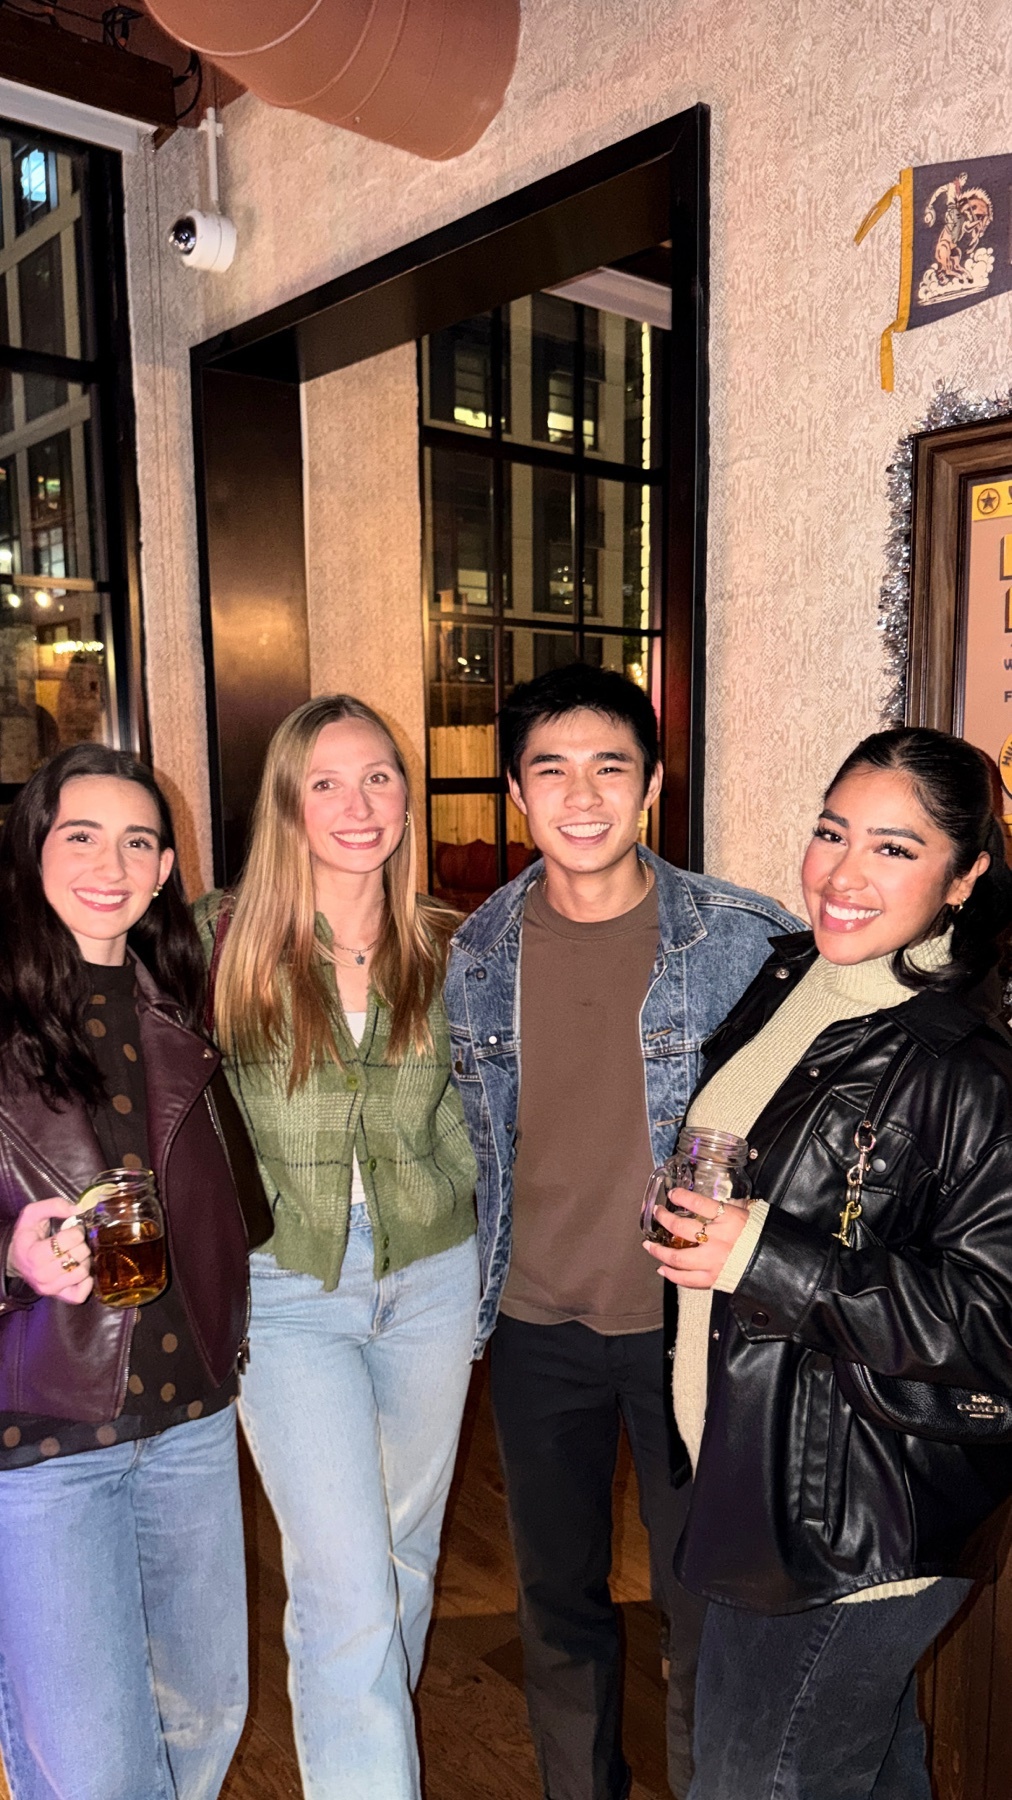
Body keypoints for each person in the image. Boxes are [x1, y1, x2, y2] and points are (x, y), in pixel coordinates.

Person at [443, 662, 798, 1800]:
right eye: (552, 770)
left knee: (703, 1608)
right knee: (557, 1605)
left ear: (649, 786)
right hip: (536, 1324)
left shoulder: (745, 938)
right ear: (515, 793)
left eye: (611, 767)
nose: (582, 795)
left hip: (693, 1327)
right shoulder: (475, 955)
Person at [646, 725, 1012, 1800]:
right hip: (754, 1479)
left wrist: (761, 1253)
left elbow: (993, 1321)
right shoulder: (795, 970)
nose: (842, 875)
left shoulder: (967, 1067)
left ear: (966, 875)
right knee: (869, 1769)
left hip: (853, 1521)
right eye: (830, 832)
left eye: (894, 850)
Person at [196, 694, 479, 1800]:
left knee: (406, 1557)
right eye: (326, 782)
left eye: (378, 778)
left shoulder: (450, 942)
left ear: (406, 797)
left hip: (432, 1275)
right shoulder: (217, 940)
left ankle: (365, 1756)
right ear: (288, 805)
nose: (358, 805)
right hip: (287, 1288)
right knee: (348, 1583)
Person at [0, 744, 250, 1800]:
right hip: (43, 1436)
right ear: (31, 854)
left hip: (188, 1421)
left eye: (138, 840)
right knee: (98, 1770)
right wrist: (10, 1261)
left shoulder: (176, 1011)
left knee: (204, 1719)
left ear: (162, 872)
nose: (112, 862)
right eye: (81, 835)